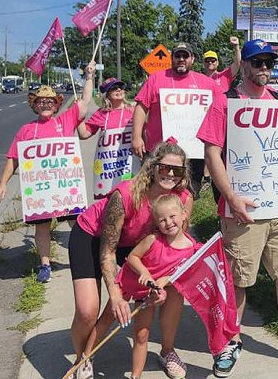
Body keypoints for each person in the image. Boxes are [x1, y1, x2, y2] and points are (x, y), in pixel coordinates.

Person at [198, 39, 278, 377]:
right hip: (242, 211)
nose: (264, 69)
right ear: (244, 65)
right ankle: (230, 340)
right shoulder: (224, 103)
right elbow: (212, 154)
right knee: (239, 280)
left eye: (268, 63)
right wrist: (230, 197)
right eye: (257, 63)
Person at [66, 140, 194, 379]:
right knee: (87, 310)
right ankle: (82, 358)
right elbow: (108, 251)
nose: (171, 175)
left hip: (134, 243)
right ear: (153, 167)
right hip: (93, 237)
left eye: (178, 170)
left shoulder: (183, 198)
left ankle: (168, 351)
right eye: (165, 168)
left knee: (176, 288)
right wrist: (115, 295)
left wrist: (160, 283)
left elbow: (175, 244)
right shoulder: (125, 193)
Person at [0, 63, 95, 283]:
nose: (46, 104)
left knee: (77, 223)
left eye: (50, 101)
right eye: (41, 101)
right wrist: (3, 184)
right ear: (35, 105)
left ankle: (85, 257)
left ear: (56, 104)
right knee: (42, 227)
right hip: (41, 190)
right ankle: (45, 265)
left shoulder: (65, 120)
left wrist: (89, 76)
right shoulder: (27, 130)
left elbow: (85, 102)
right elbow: (13, 158)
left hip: (65, 187)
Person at [115, 194, 202, 379]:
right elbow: (132, 257)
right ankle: (135, 375)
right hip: (143, 289)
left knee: (175, 300)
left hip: (167, 289)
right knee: (141, 334)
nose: (168, 223)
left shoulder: (191, 248)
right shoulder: (153, 239)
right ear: (156, 222)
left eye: (172, 217)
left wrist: (165, 280)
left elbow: (185, 275)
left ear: (184, 214)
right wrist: (144, 273)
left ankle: (167, 352)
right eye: (162, 220)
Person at [132, 42, 222, 195]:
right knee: (155, 191)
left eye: (185, 55)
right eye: (177, 55)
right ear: (171, 58)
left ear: (192, 59)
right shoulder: (156, 79)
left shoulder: (207, 83)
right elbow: (141, 107)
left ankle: (183, 219)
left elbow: (220, 110)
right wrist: (136, 137)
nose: (181, 59)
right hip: (158, 151)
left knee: (189, 193)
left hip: (194, 152)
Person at [77, 77, 135, 199]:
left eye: (121, 87)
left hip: (130, 165)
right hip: (108, 168)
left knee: (130, 197)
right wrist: (78, 114)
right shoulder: (101, 113)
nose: (119, 90)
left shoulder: (133, 110)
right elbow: (84, 134)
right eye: (114, 88)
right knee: (109, 202)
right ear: (107, 94)